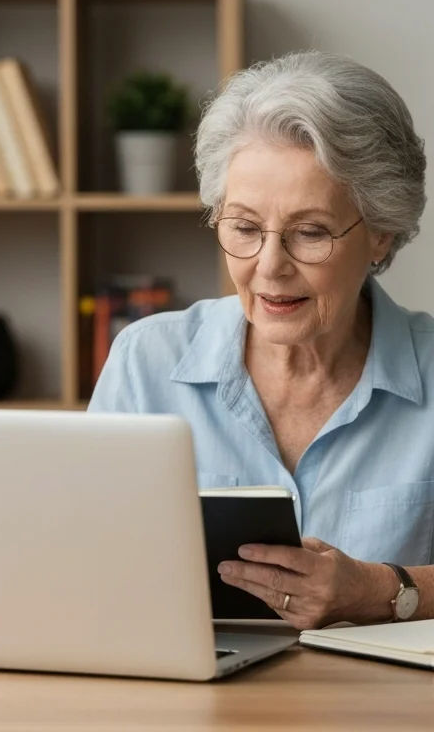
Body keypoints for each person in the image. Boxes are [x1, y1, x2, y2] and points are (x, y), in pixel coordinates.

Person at [91, 50, 433, 628]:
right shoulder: (145, 362)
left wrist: (379, 589)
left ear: (381, 234)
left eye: (310, 232)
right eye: (244, 227)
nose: (268, 266)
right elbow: (82, 556)